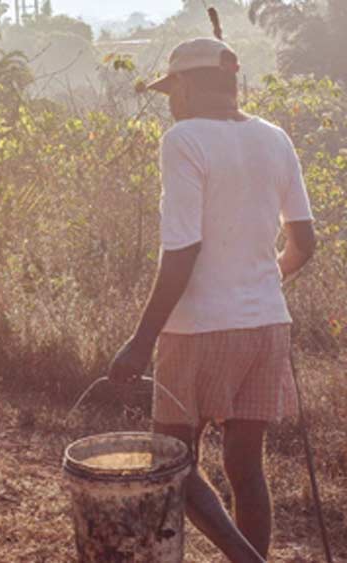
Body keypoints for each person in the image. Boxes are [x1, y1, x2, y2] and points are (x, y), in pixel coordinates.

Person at [108, 38, 316, 562]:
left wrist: (140, 341)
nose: (170, 101)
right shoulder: (276, 137)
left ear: (187, 84)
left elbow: (181, 253)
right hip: (267, 325)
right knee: (246, 471)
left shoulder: (183, 140)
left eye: (171, 88)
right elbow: (304, 242)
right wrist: (264, 284)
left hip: (197, 328)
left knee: (172, 461)